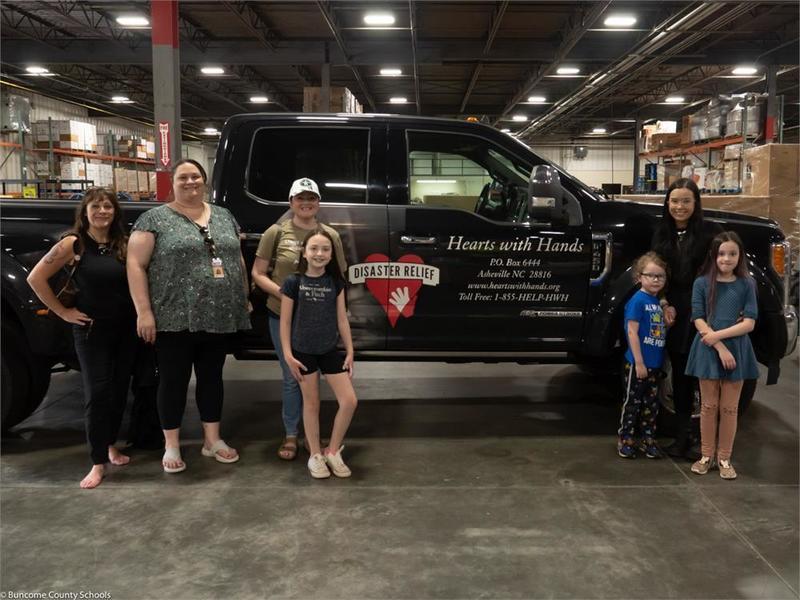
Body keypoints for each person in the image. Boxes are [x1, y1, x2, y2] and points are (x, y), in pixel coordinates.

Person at [127, 159, 251, 474]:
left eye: (195, 176)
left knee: (212, 379)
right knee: (173, 381)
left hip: (218, 314)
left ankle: (212, 440)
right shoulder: (153, 219)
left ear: (204, 180)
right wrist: (144, 312)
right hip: (173, 316)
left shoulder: (223, 216)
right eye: (183, 177)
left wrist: (243, 297)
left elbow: (236, 257)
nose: (190, 182)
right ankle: (171, 445)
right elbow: (135, 265)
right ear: (174, 182)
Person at [27, 188, 137, 489]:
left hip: (126, 328)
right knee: (97, 393)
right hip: (91, 330)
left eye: (108, 207)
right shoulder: (72, 244)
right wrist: (62, 312)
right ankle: (97, 462)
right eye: (96, 206)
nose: (102, 211)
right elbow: (35, 278)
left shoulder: (122, 245)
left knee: (117, 390)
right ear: (85, 212)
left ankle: (110, 444)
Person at [251, 177, 347, 461]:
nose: (306, 203)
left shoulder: (331, 236)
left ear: (318, 203)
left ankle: (312, 438)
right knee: (293, 377)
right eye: (300, 198)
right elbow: (257, 274)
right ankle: (291, 434)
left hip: (318, 319)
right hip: (282, 315)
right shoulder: (276, 232)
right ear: (291, 202)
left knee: (315, 378)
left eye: (312, 198)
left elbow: (338, 277)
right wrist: (288, 295)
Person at [651, 178, 723, 460]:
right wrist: (664, 302)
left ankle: (707, 442)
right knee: (680, 374)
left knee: (704, 376)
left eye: (686, 201)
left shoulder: (710, 233)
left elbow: (720, 272)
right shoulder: (660, 234)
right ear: (667, 203)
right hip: (674, 312)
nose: (680, 207)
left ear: (696, 204)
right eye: (675, 201)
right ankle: (683, 438)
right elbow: (656, 273)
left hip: (704, 310)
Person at [279, 228, 358, 479]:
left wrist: (350, 350)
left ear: (332, 254)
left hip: (329, 350)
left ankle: (332, 450)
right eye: (314, 248)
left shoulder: (336, 283)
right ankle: (315, 454)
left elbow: (342, 320)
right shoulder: (293, 282)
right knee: (312, 404)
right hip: (303, 352)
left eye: (325, 249)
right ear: (304, 252)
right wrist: (288, 355)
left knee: (349, 401)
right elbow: (285, 323)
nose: (319, 253)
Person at [686, 232, 758, 480]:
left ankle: (724, 457)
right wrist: (718, 345)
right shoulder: (702, 283)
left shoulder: (747, 284)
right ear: (713, 256)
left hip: (737, 350)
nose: (727, 259)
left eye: (733, 254)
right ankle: (706, 455)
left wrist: (719, 336)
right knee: (708, 406)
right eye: (722, 254)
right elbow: (698, 318)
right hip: (709, 349)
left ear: (740, 256)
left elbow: (749, 323)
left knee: (729, 408)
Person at [618, 252, 669, 459]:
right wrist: (639, 362)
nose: (656, 280)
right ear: (639, 277)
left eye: (660, 276)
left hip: (655, 365)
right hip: (638, 365)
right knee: (633, 403)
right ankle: (626, 439)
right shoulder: (637, 301)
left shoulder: (657, 302)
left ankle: (648, 439)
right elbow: (632, 332)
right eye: (651, 275)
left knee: (651, 404)